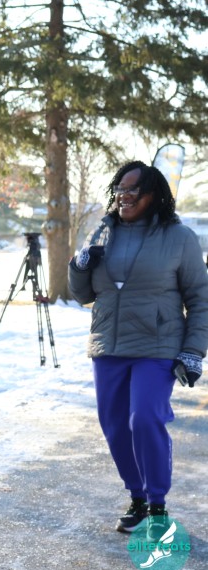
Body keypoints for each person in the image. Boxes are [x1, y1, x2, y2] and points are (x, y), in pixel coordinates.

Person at [69, 160, 207, 542]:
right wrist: (79, 265)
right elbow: (83, 294)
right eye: (120, 189)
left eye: (133, 190)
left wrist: (193, 350)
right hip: (109, 344)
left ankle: (158, 505)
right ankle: (138, 498)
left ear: (154, 195)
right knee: (114, 426)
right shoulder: (103, 231)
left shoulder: (178, 238)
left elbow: (200, 298)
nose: (124, 196)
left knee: (144, 419)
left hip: (157, 345)